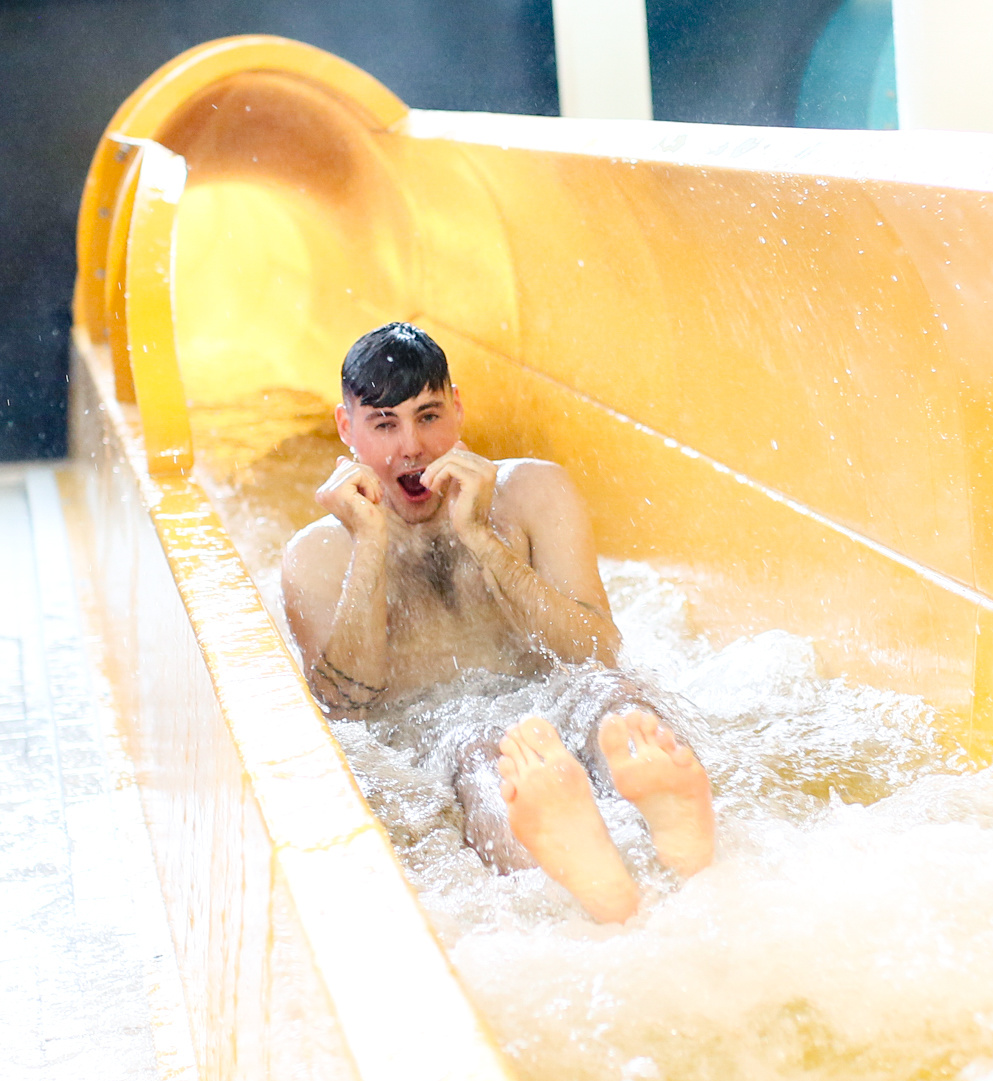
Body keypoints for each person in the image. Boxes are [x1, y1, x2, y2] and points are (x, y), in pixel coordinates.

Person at [280, 322, 712, 922]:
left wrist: (481, 538)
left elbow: (597, 651)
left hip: (552, 692)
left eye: (429, 416)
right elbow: (345, 710)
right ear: (345, 428)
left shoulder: (532, 492)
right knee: (476, 751)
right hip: (433, 729)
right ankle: (578, 876)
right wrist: (370, 545)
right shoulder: (316, 555)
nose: (412, 447)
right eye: (385, 424)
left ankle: (679, 836)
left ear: (457, 409)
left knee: (614, 699)